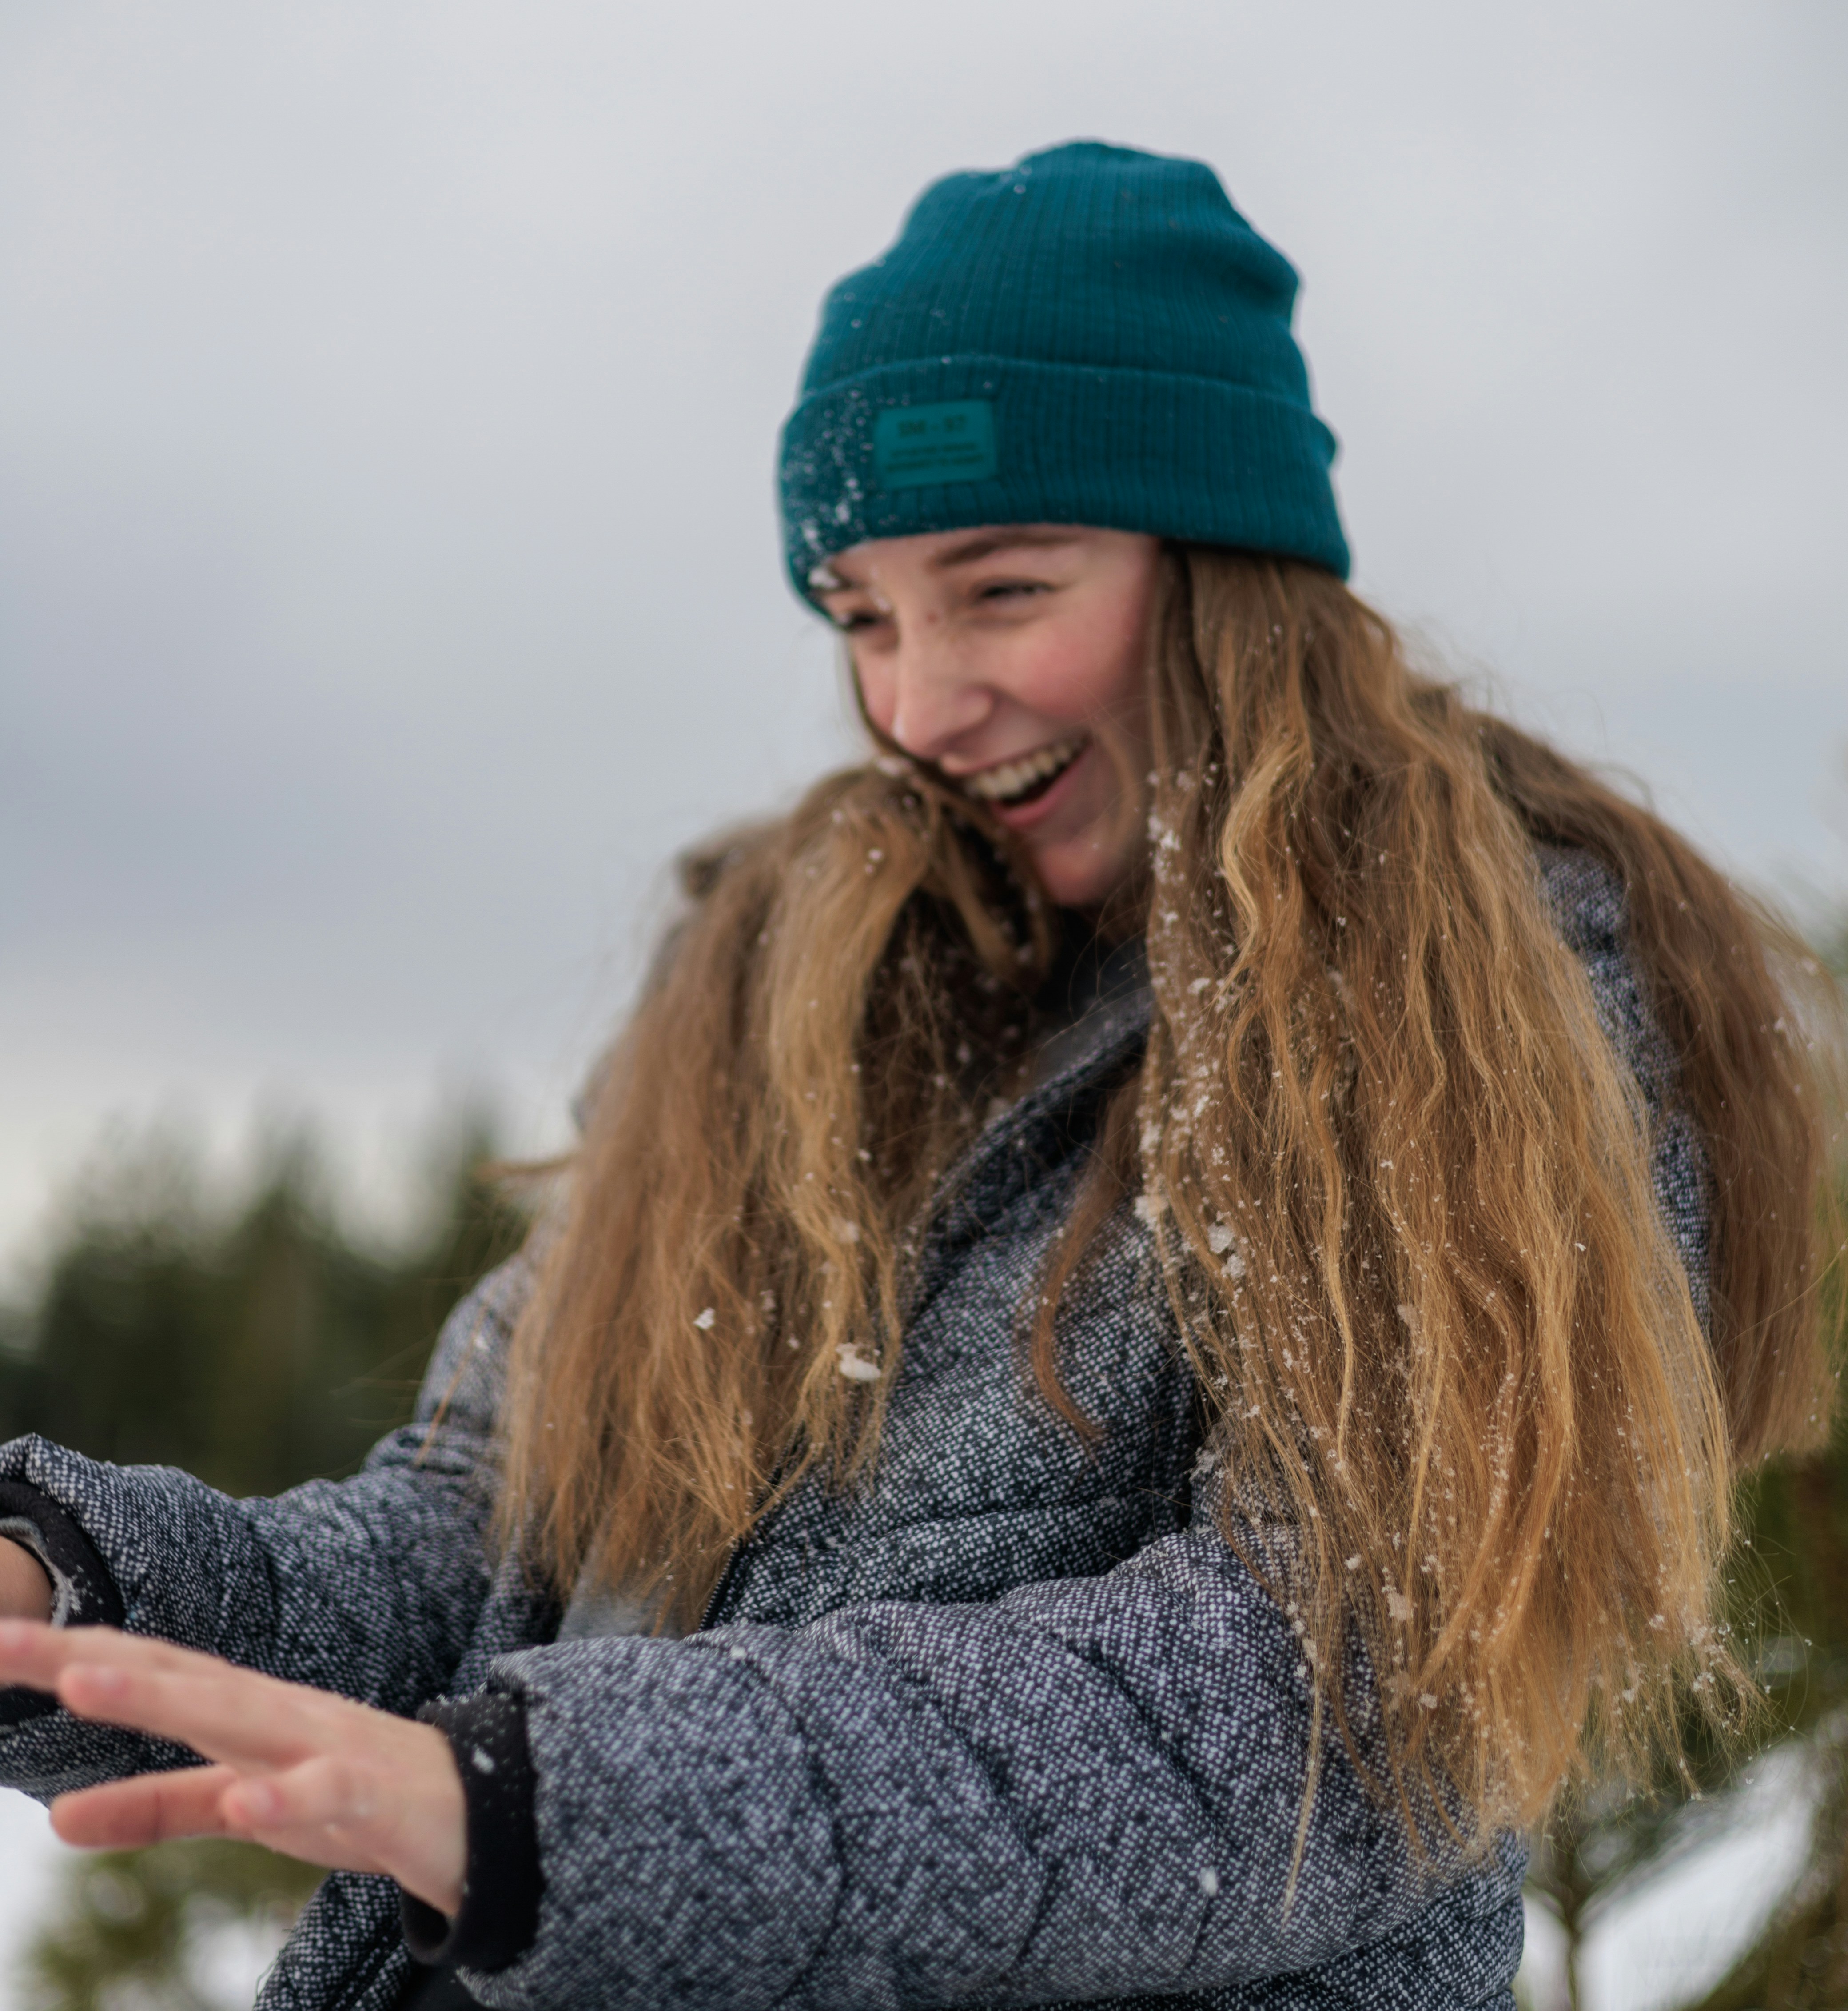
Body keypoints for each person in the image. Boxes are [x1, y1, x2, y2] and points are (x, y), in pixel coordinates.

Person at [0, 140, 1838, 2011]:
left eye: (1002, 589)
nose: (916, 704)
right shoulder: (780, 986)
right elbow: (485, 1527)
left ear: (1222, 569)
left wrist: (569, 1808)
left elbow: (1343, 1708)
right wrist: (73, 1606)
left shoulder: (1484, 997)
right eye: (862, 616)